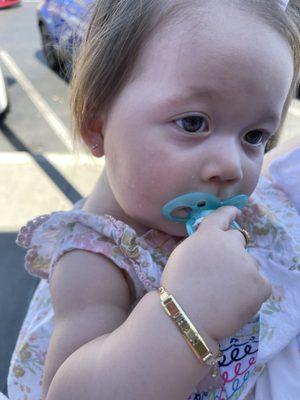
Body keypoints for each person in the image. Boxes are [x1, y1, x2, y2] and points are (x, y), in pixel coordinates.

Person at [4, 0, 300, 399]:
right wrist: (190, 311)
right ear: (97, 124)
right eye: (193, 123)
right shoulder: (94, 260)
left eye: (255, 136)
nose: (231, 165)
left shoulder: (210, 195)